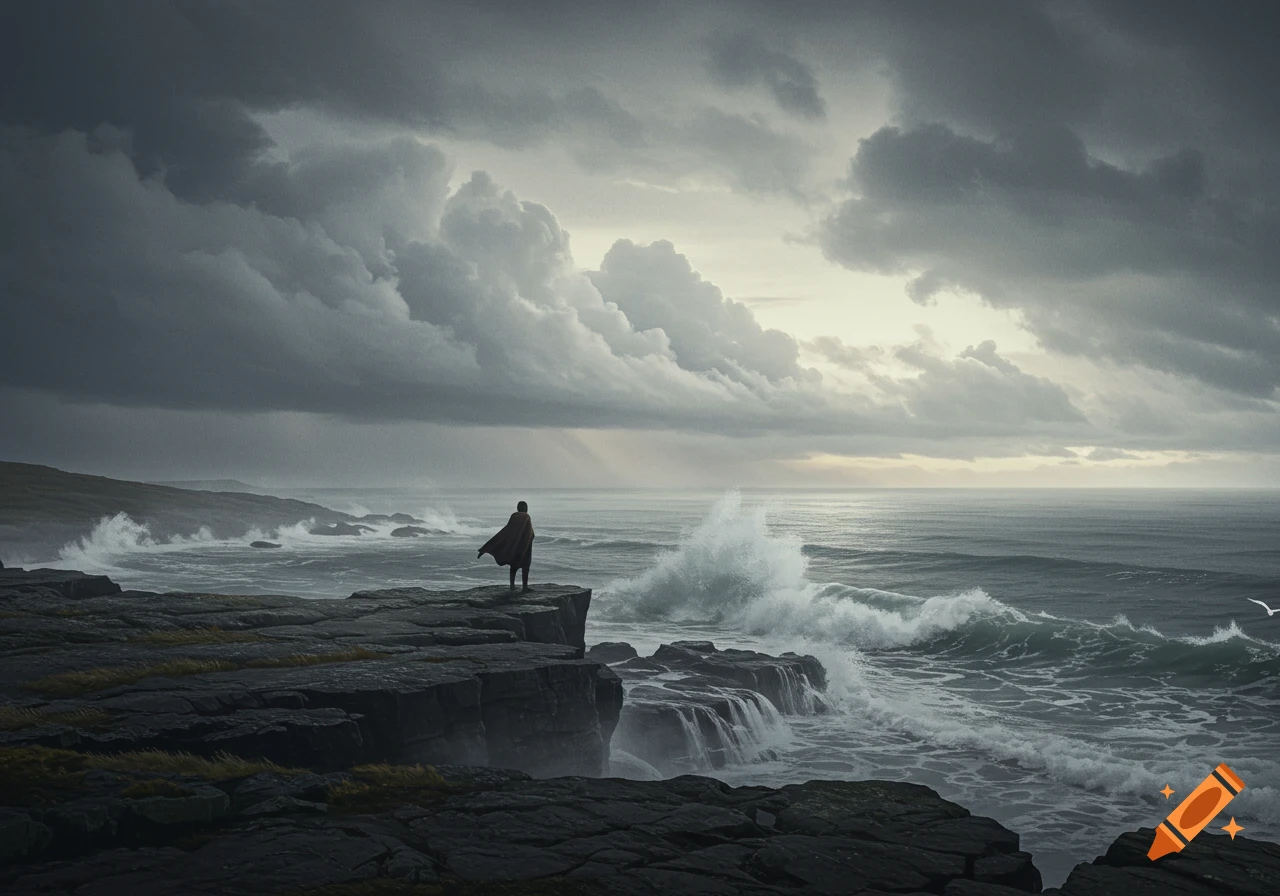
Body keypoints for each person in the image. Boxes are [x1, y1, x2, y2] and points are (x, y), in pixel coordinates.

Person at [477, 500, 535, 593]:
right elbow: (528, 531)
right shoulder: (526, 517)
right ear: (525, 508)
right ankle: (525, 587)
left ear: (518, 508)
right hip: (525, 545)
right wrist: (531, 536)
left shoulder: (514, 516)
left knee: (514, 566)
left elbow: (507, 531)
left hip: (515, 545)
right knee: (525, 566)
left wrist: (487, 547)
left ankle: (512, 586)